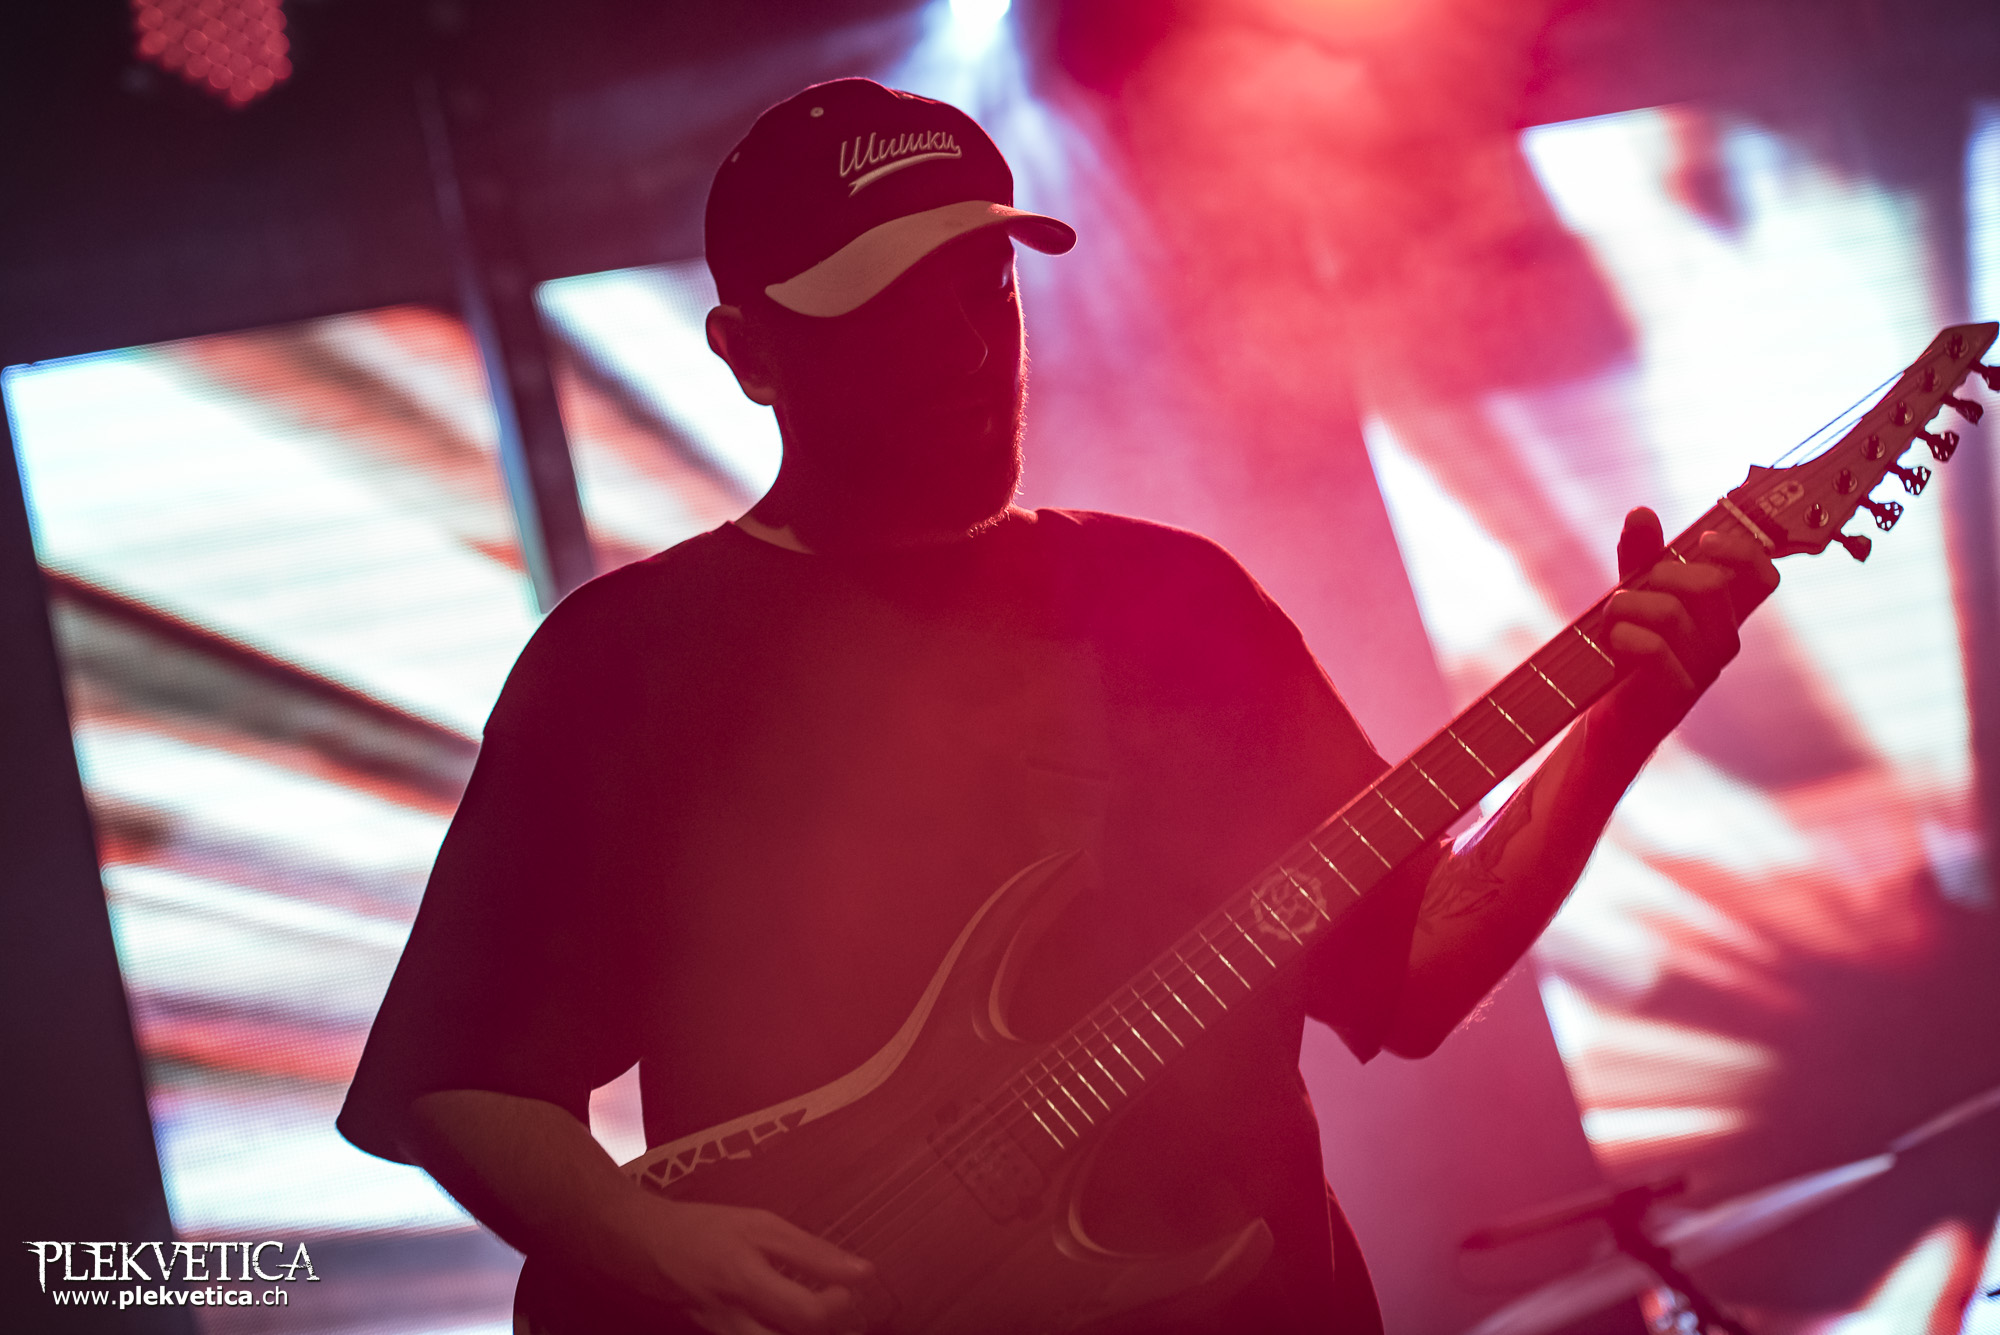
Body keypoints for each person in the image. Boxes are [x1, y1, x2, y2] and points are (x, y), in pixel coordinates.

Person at [338, 78, 1777, 1335]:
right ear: (748, 353)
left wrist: (1621, 722)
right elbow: (459, 1081)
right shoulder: (627, 662)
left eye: (986, 288)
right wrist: (655, 1247)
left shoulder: (1177, 605)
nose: (967, 355)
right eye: (888, 320)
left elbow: (1408, 977)